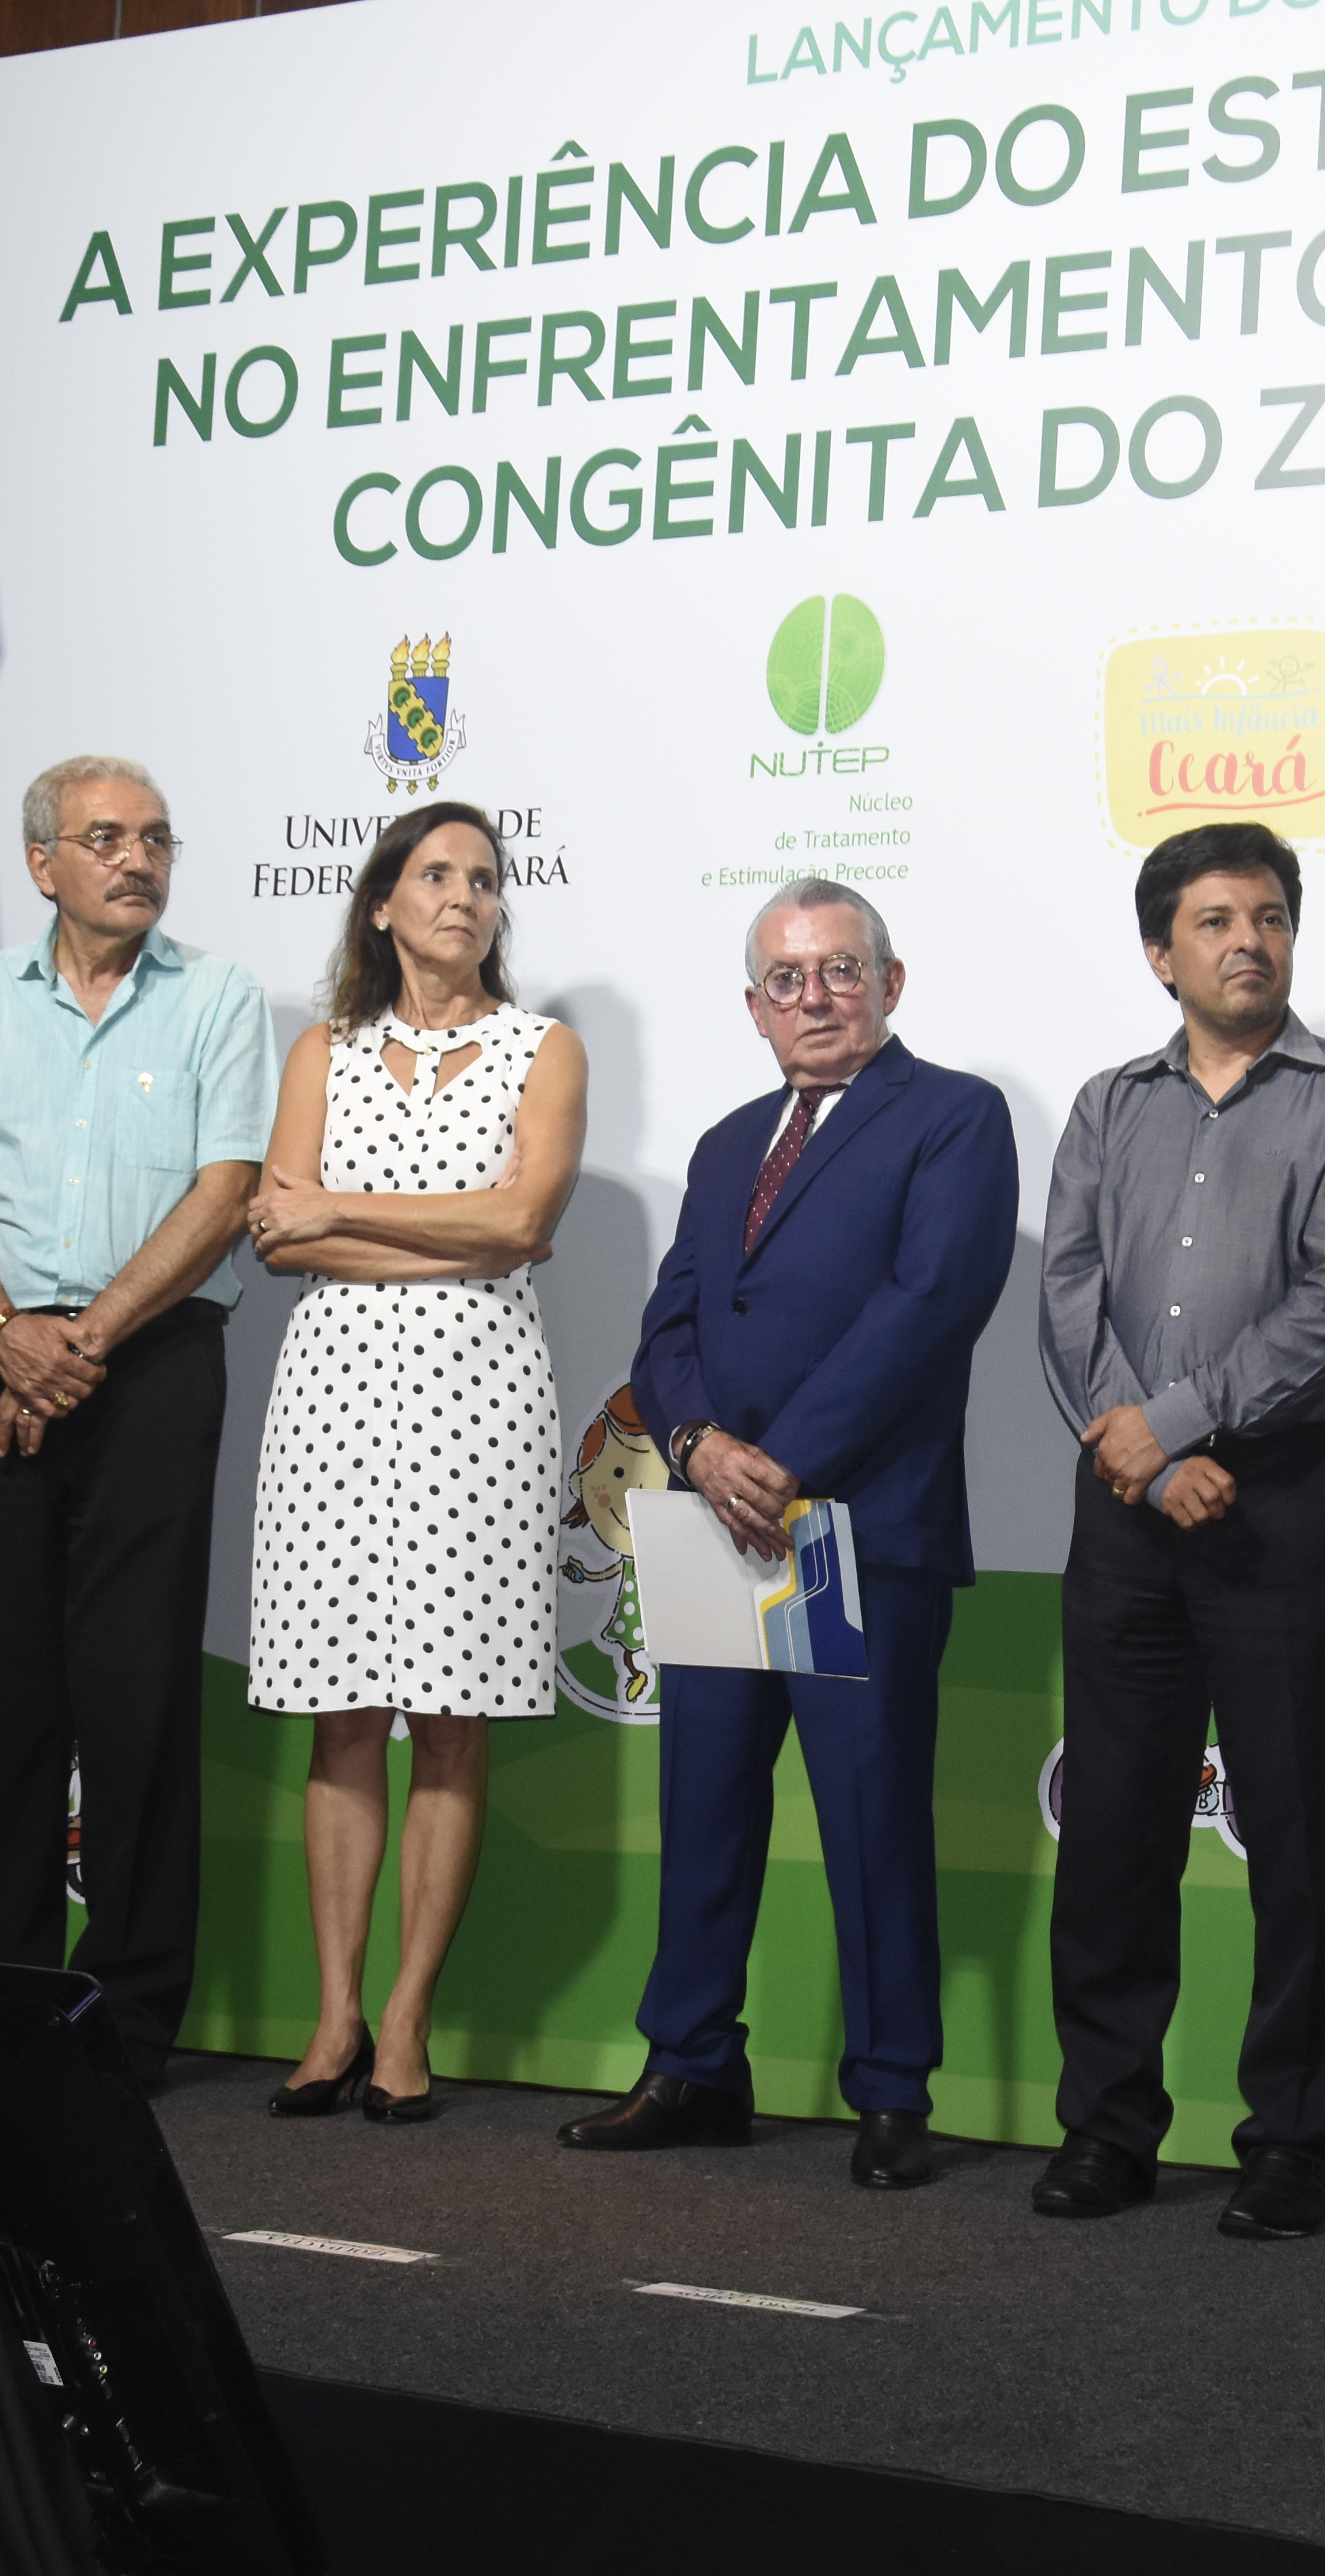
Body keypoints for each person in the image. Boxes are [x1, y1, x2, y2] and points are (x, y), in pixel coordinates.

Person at [558, 879, 1017, 2189]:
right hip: (717, 1523)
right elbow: (670, 1326)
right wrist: (702, 1449)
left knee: (873, 1823)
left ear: (890, 983)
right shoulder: (725, 1145)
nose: (814, 998)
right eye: (786, 979)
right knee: (702, 1809)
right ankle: (692, 2065)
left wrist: (784, 1463)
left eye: (840, 971)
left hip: (854, 1528)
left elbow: (929, 1307)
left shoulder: (956, 1118)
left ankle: (892, 2094)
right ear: (754, 1006)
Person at [1029, 821, 1325, 2238]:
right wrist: (1140, 1451)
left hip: (1282, 1499)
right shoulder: (1106, 1105)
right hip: (1127, 1507)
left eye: (1269, 916)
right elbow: (1067, 1294)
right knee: (1113, 1829)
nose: (1248, 940)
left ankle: (1295, 2140)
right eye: (1214, 919)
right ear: (1160, 953)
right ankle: (1107, 2126)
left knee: (1295, 1829)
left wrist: (1179, 1424)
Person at [0, 757, 273, 2089]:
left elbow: (226, 1189)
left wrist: (84, 1339)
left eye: (157, 837)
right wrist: (6, 1333)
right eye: (106, 837)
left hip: (150, 1360)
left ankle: (131, 2009)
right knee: (2, 1683)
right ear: (42, 862)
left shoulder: (217, 995)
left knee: (139, 1687)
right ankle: (3, 1985)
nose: (138, 858)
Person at [243, 800, 585, 2121]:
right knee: (341, 1716)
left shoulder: (544, 1049)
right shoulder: (321, 1051)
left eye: (485, 879)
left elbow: (521, 1221)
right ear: (382, 903)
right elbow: (278, 1235)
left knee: (451, 1719)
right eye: (437, 874)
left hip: (480, 1401)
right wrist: (432, 1230)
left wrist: (341, 1209)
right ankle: (333, 2011)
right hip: (332, 1398)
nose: (465, 896)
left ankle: (405, 2019)